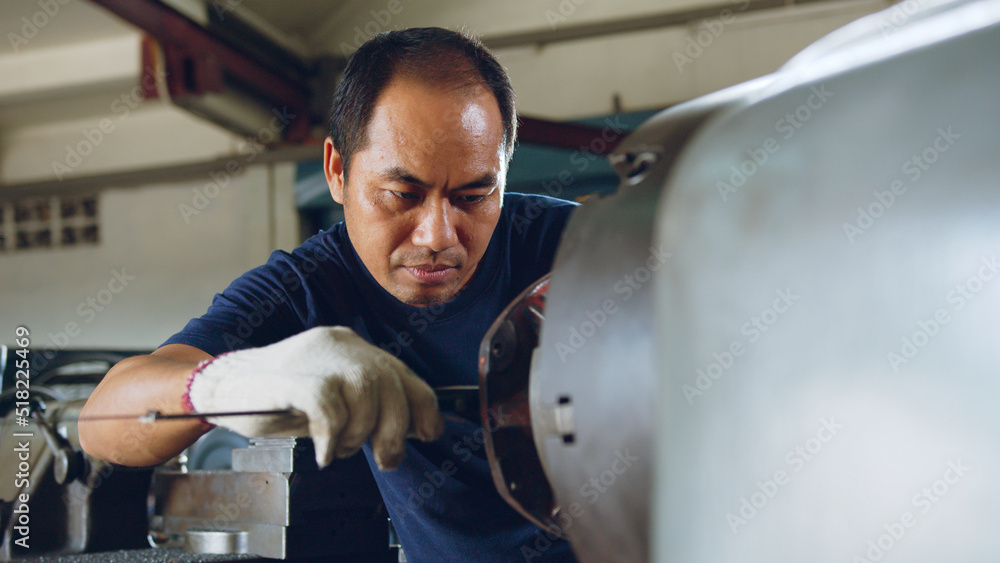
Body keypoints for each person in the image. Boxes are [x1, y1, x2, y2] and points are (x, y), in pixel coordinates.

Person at [80, 27, 577, 561]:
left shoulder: (577, 249)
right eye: (402, 195)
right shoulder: (309, 289)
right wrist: (227, 386)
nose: (438, 235)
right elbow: (102, 422)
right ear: (337, 171)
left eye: (474, 196)